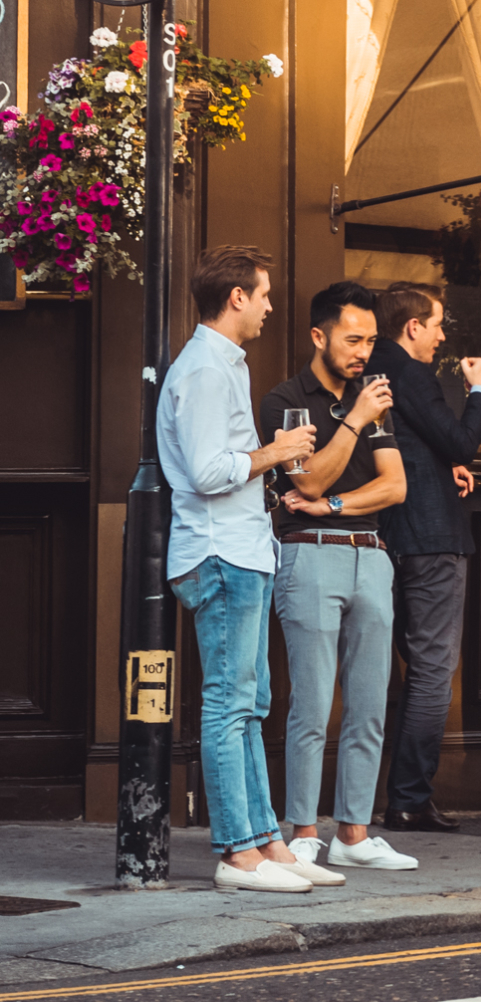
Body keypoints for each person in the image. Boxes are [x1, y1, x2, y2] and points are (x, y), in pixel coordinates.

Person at [159, 246, 322, 894]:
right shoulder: (202, 368)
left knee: (251, 702)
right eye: (263, 294)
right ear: (236, 298)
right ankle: (236, 853)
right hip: (219, 552)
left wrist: (265, 474)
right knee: (230, 704)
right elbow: (204, 470)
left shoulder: (223, 364)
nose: (269, 305)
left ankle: (266, 841)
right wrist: (275, 452)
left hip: (242, 550)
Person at [258, 280, 419, 875]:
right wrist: (353, 420)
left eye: (371, 341)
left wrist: (333, 507)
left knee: (370, 701)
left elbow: (395, 486)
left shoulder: (371, 397)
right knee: (312, 701)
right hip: (308, 556)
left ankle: (353, 830)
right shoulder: (284, 402)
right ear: (318, 336)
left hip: (370, 553)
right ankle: (302, 831)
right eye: (353, 339)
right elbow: (307, 481)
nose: (363, 353)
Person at [369, 283, 481, 833]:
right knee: (431, 673)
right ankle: (409, 800)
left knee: (411, 668)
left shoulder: (373, 366)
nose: (443, 335)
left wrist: (439, 466)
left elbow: (417, 444)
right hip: (430, 539)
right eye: (438, 324)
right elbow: (462, 441)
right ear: (413, 326)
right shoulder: (408, 371)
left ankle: (402, 796)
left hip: (393, 535)